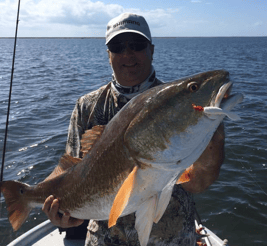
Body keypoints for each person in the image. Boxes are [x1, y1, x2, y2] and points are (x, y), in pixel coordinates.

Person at [42, 13, 225, 246]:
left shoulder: (181, 106)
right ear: (109, 55)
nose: (128, 54)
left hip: (172, 238)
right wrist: (57, 211)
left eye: (137, 45)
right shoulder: (87, 106)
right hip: (105, 238)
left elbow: (198, 183)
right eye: (118, 47)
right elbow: (68, 169)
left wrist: (214, 137)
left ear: (152, 50)